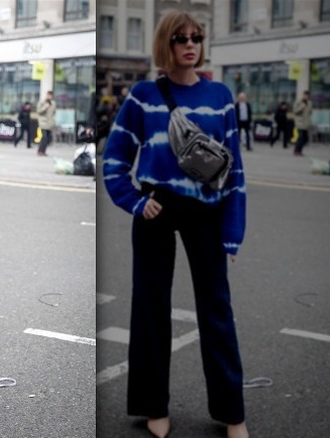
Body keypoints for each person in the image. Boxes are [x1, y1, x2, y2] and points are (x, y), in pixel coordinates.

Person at [102, 11, 248, 438]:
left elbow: (235, 171)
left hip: (206, 210)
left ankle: (232, 411)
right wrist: (134, 200)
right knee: (150, 309)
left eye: (197, 37)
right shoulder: (144, 96)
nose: (190, 44)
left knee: (216, 310)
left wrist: (233, 232)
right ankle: (152, 406)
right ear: (166, 43)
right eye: (181, 37)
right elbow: (113, 160)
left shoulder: (220, 95)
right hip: (157, 209)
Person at [36, 90, 56, 156]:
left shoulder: (53, 103)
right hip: (43, 123)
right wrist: (45, 107)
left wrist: (53, 121)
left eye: (50, 95)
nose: (49, 97)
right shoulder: (42, 102)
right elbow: (38, 111)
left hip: (50, 123)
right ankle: (40, 151)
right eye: (48, 95)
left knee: (48, 138)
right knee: (44, 137)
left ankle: (43, 151)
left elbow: (53, 113)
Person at [292, 90, 312, 156]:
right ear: (303, 95)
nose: (306, 97)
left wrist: (309, 122)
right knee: (300, 137)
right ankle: (297, 151)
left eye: (307, 96)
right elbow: (295, 111)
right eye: (305, 95)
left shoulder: (309, 103)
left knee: (305, 139)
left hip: (306, 124)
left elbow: (310, 113)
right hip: (299, 123)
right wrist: (301, 107)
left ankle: (298, 150)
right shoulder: (298, 102)